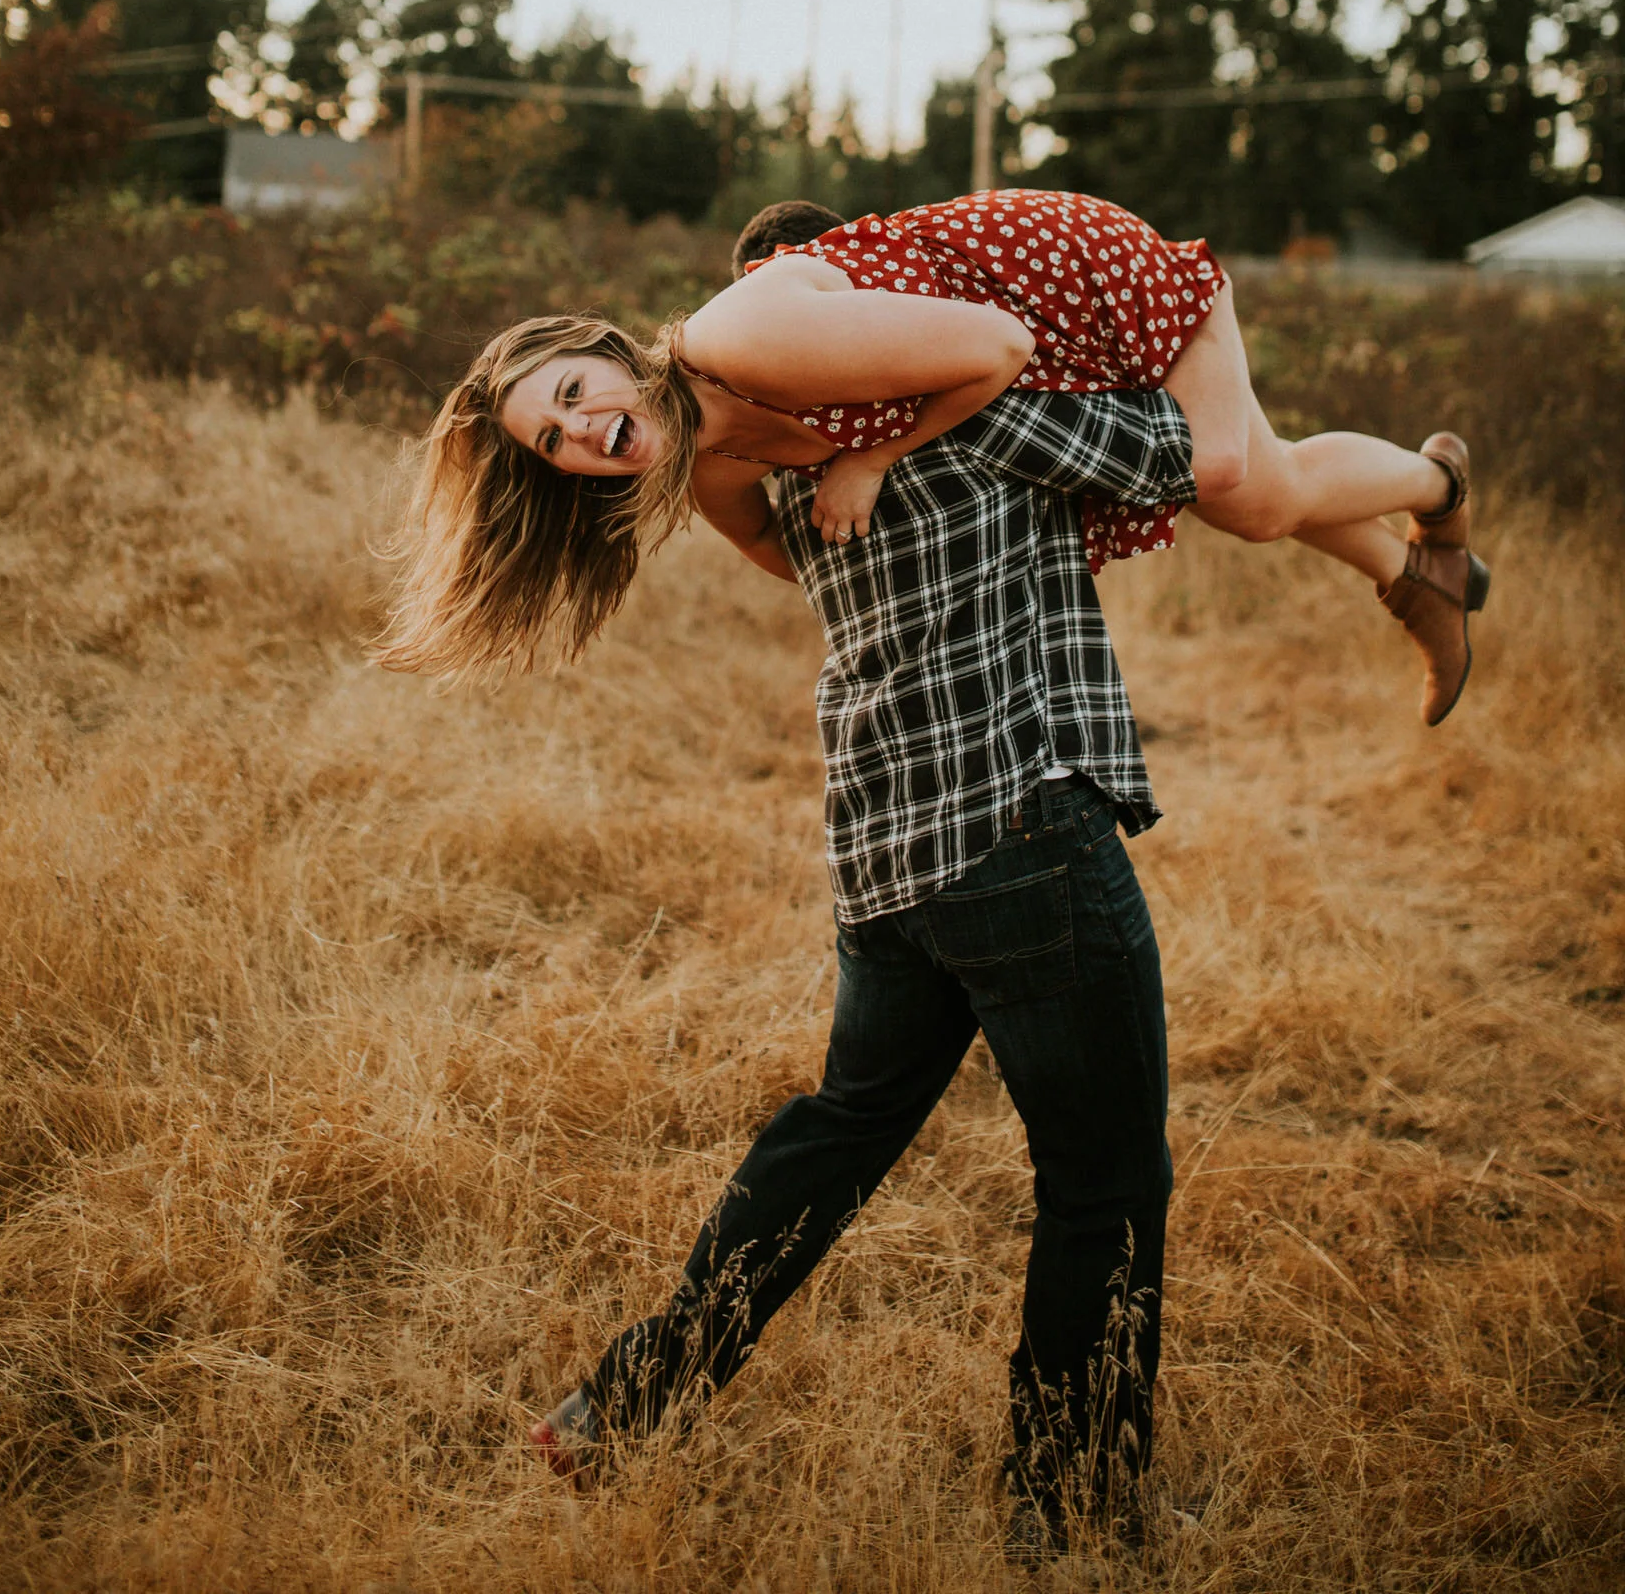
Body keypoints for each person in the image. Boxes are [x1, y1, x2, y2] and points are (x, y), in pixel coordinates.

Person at [519, 307, 1199, 1556]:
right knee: (1106, 1178)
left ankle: (629, 1398)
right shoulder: (972, 412)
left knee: (841, 1129)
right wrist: (1116, 339)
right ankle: (1077, 1506)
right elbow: (1173, 456)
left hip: (887, 852)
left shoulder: (768, 467)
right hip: (1020, 828)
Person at [377, 190, 1487, 727]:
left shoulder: (739, 340)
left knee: (1236, 485)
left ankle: (1439, 492)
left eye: (573, 393)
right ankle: (1421, 580)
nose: (581, 429)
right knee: (1257, 477)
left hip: (1067, 280)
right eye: (554, 442)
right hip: (1015, 334)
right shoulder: (711, 468)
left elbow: (999, 347)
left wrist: (869, 465)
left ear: (607, 351)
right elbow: (787, 556)